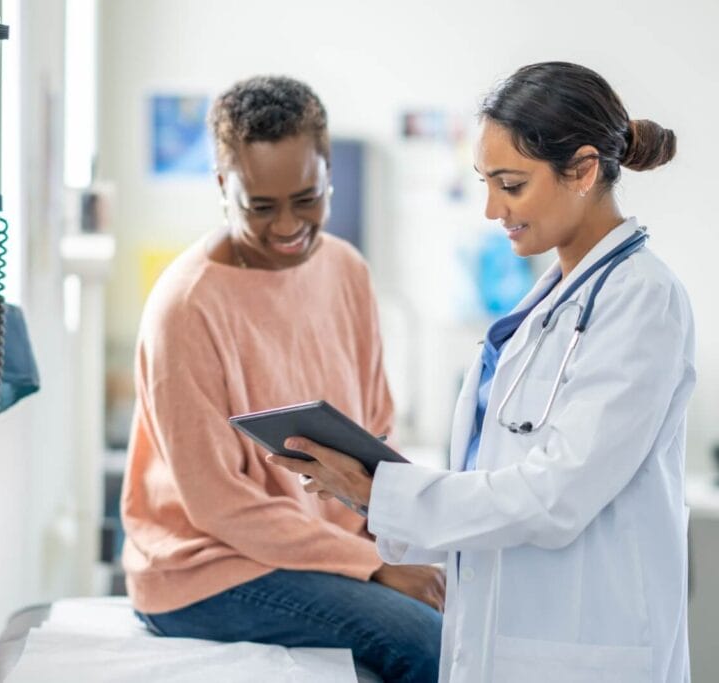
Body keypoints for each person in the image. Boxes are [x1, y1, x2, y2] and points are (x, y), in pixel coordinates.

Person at [269, 62, 694, 683]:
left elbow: (555, 496)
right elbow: (495, 480)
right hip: (509, 638)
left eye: (511, 184)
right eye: (485, 182)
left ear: (581, 170)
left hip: (587, 648)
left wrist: (380, 493)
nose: (493, 208)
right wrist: (375, 493)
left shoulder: (643, 299)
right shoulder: (550, 302)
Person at [120, 75, 444, 681]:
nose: (288, 226)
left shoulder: (346, 269)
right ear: (223, 186)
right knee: (431, 643)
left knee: (479, 615)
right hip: (207, 569)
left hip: (311, 554)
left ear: (328, 176)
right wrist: (370, 568)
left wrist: (395, 545)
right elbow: (220, 508)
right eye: (260, 207)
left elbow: (374, 432)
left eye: (306, 198)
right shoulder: (185, 307)